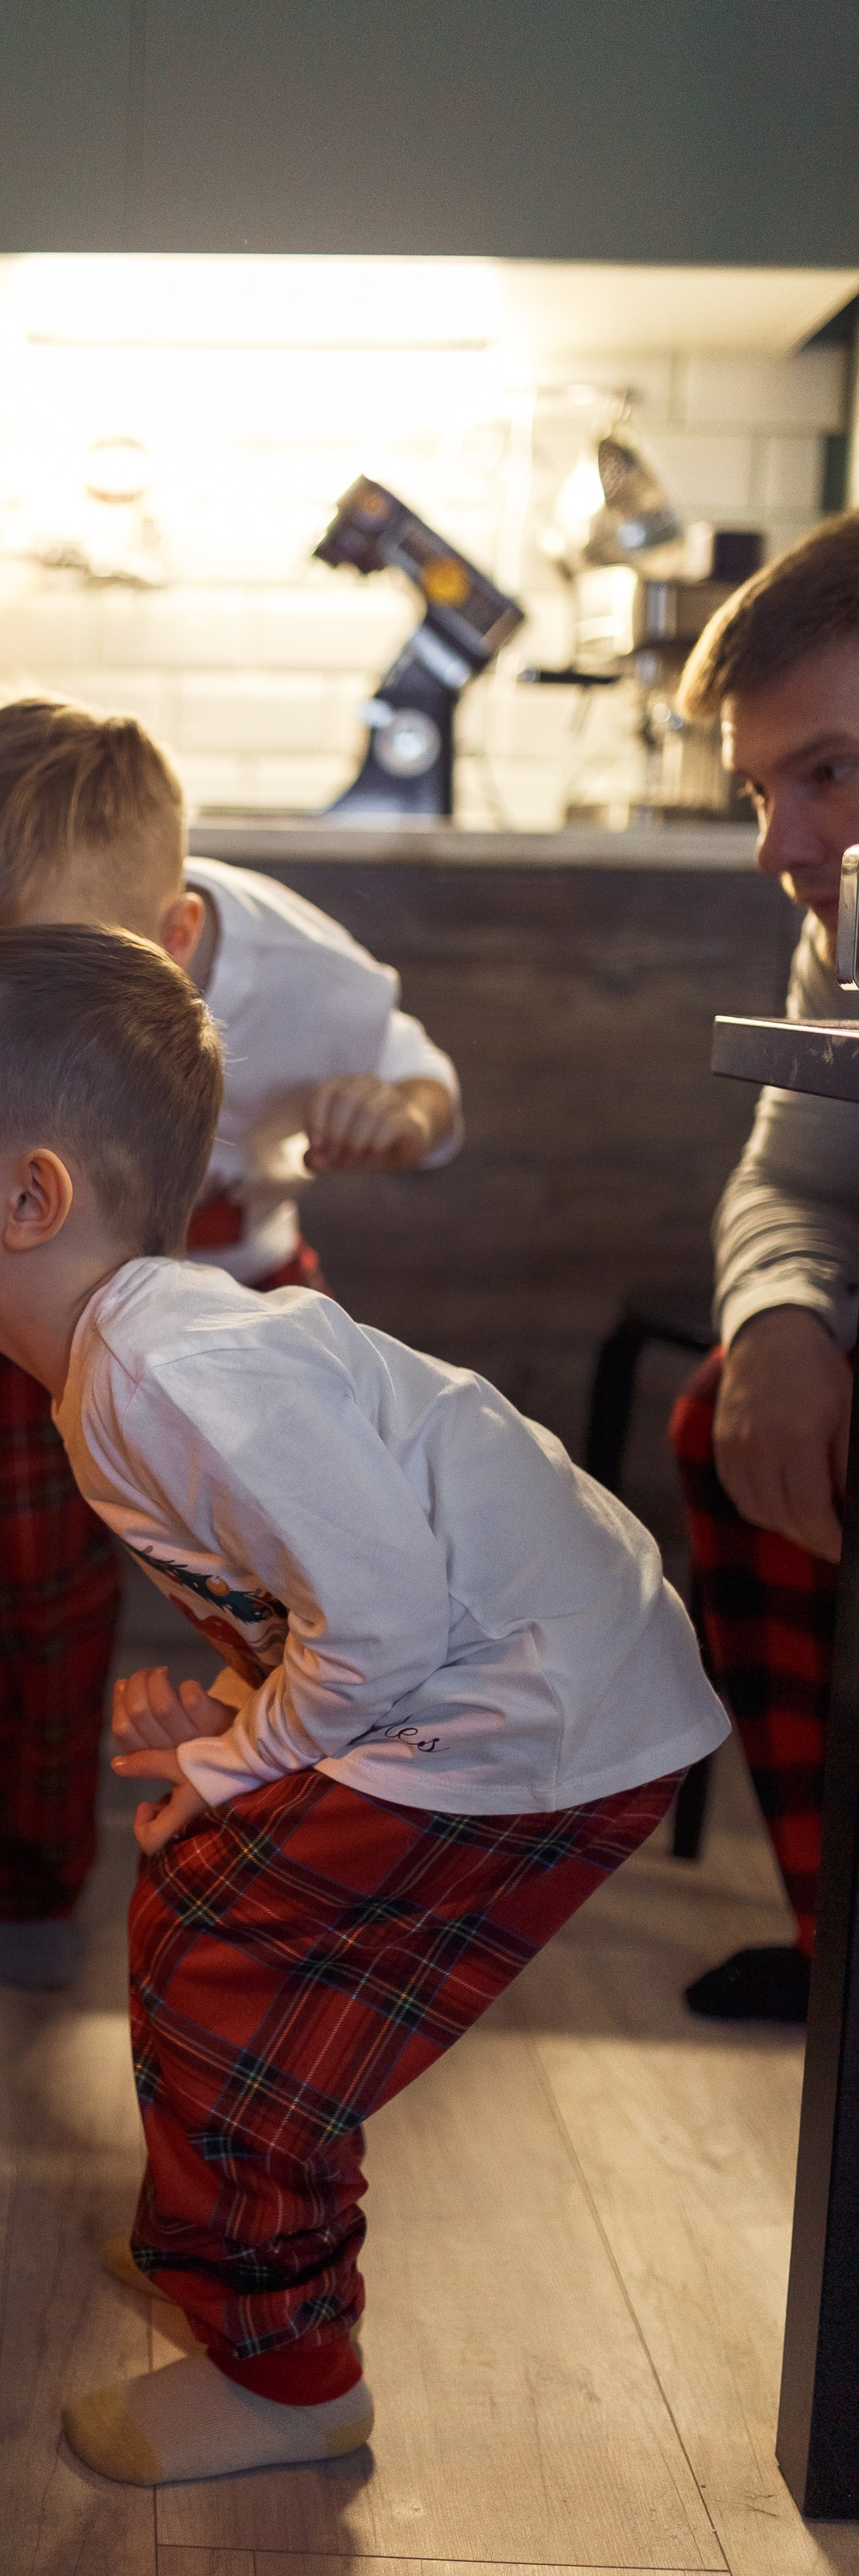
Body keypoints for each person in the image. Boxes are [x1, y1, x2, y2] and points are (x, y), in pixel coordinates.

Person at [0, 924, 728, 2486]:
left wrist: (247, 1755)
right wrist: (240, 1714)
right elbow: (328, 1592)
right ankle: (213, 2246)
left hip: (534, 1706)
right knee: (201, 1912)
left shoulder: (168, 1373)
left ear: (30, 1199)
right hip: (491, 1678)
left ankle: (287, 2373)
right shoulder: (123, 1364)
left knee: (223, 1962)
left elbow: (383, 1615)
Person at [0, 698, 463, 1990]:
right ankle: (31, 1875)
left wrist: (399, 1113)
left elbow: (425, 1079)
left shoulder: (306, 977)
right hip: (25, 1292)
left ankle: (291, 1884)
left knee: (307, 1608)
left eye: (44, 989)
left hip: (241, 1305)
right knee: (27, 1583)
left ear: (176, 939)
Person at [669, 513, 859, 2025]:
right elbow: (790, 1172)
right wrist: (782, 1316)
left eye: (830, 772)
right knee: (722, 1414)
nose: (776, 848)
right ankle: (832, 1940)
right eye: (760, 790)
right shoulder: (842, 925)